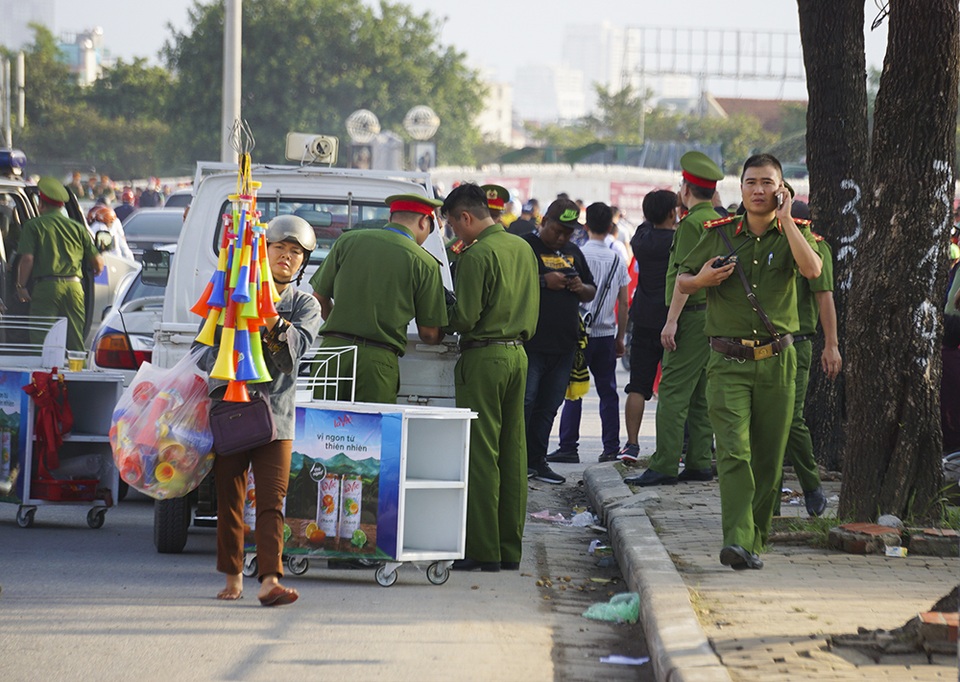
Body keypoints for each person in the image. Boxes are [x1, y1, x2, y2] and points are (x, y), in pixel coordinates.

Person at [675, 153, 822, 570]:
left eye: (767, 183)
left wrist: (789, 220)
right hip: (727, 360)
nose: (759, 190)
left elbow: (811, 270)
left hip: (778, 361)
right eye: (751, 182)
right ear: (739, 190)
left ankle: (754, 540)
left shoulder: (797, 233)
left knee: (769, 457)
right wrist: (701, 280)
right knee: (735, 452)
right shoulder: (718, 233)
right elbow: (683, 280)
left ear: (782, 189)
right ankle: (737, 539)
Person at [204, 214, 323, 605]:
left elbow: (293, 357)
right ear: (262, 251)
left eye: (296, 253)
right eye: (279, 249)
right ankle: (233, 577)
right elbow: (204, 351)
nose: (287, 258)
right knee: (230, 498)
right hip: (231, 411)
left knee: (273, 501)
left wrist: (268, 313)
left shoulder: (305, 304)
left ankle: (270, 579)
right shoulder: (231, 292)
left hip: (277, 417)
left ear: (303, 263)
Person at [441, 183, 539, 572]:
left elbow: (463, 318)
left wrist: (440, 309)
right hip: (518, 355)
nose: (453, 234)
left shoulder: (478, 255)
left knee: (481, 453)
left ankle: (482, 550)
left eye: (452, 226)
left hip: (484, 358)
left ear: (466, 217)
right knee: (514, 453)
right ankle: (507, 548)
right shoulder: (522, 247)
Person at [622, 151, 723, 486]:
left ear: (685, 190)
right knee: (698, 395)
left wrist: (671, 321)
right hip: (709, 316)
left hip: (688, 315)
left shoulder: (692, 223)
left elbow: (683, 276)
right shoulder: (717, 220)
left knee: (673, 394)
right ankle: (697, 462)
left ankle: (664, 465)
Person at [310, 193, 448, 404]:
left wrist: (340, 324)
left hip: (332, 353)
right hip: (377, 362)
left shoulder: (348, 240)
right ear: (424, 221)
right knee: (371, 433)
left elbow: (319, 297)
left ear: (390, 218)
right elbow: (429, 334)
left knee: (320, 430)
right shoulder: (424, 262)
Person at [521, 198, 596, 484]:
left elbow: (591, 290)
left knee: (549, 406)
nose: (562, 237)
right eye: (557, 230)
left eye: (568, 232)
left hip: (564, 345)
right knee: (525, 403)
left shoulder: (574, 252)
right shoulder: (525, 247)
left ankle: (537, 460)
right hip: (531, 343)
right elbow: (512, 283)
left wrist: (580, 287)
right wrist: (543, 281)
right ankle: (518, 459)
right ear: (543, 222)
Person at [550, 202, 629, 463]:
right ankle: (610, 448)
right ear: (610, 227)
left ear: (585, 226)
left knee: (575, 390)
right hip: (606, 335)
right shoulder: (617, 258)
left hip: (579, 334)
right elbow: (624, 301)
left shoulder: (577, 254)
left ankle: (568, 446)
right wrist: (621, 337)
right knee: (608, 392)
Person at [781, 200, 841, 517]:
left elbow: (824, 297)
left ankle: (812, 486)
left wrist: (831, 344)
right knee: (760, 418)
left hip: (798, 342)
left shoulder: (817, 248)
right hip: (762, 344)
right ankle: (769, 486)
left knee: (791, 419)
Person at [618, 190, 678, 461]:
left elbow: (645, 223)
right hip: (674, 320)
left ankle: (631, 444)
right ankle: (673, 447)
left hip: (642, 319)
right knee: (674, 387)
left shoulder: (641, 240)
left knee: (638, 386)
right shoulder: (679, 240)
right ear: (672, 213)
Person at [16, 177, 104, 351]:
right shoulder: (77, 228)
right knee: (75, 342)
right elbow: (98, 264)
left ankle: (42, 377)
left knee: (42, 343)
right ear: (61, 206)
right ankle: (77, 375)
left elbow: (27, 259)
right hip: (75, 288)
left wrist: (21, 286)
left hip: (46, 289)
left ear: (41, 204)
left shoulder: (33, 226)